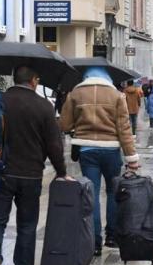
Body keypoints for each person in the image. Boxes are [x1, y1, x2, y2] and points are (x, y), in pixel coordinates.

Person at [0, 65, 70, 265]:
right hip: (30, 174)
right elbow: (54, 145)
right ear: (34, 80)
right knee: (27, 225)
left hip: (0, 172)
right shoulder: (43, 106)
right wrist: (61, 172)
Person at [60, 67, 140, 255]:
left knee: (92, 193)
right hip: (111, 150)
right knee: (113, 192)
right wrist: (132, 158)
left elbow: (64, 124)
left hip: (87, 150)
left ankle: (94, 241)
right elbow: (124, 129)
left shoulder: (76, 93)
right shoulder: (116, 95)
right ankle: (112, 236)